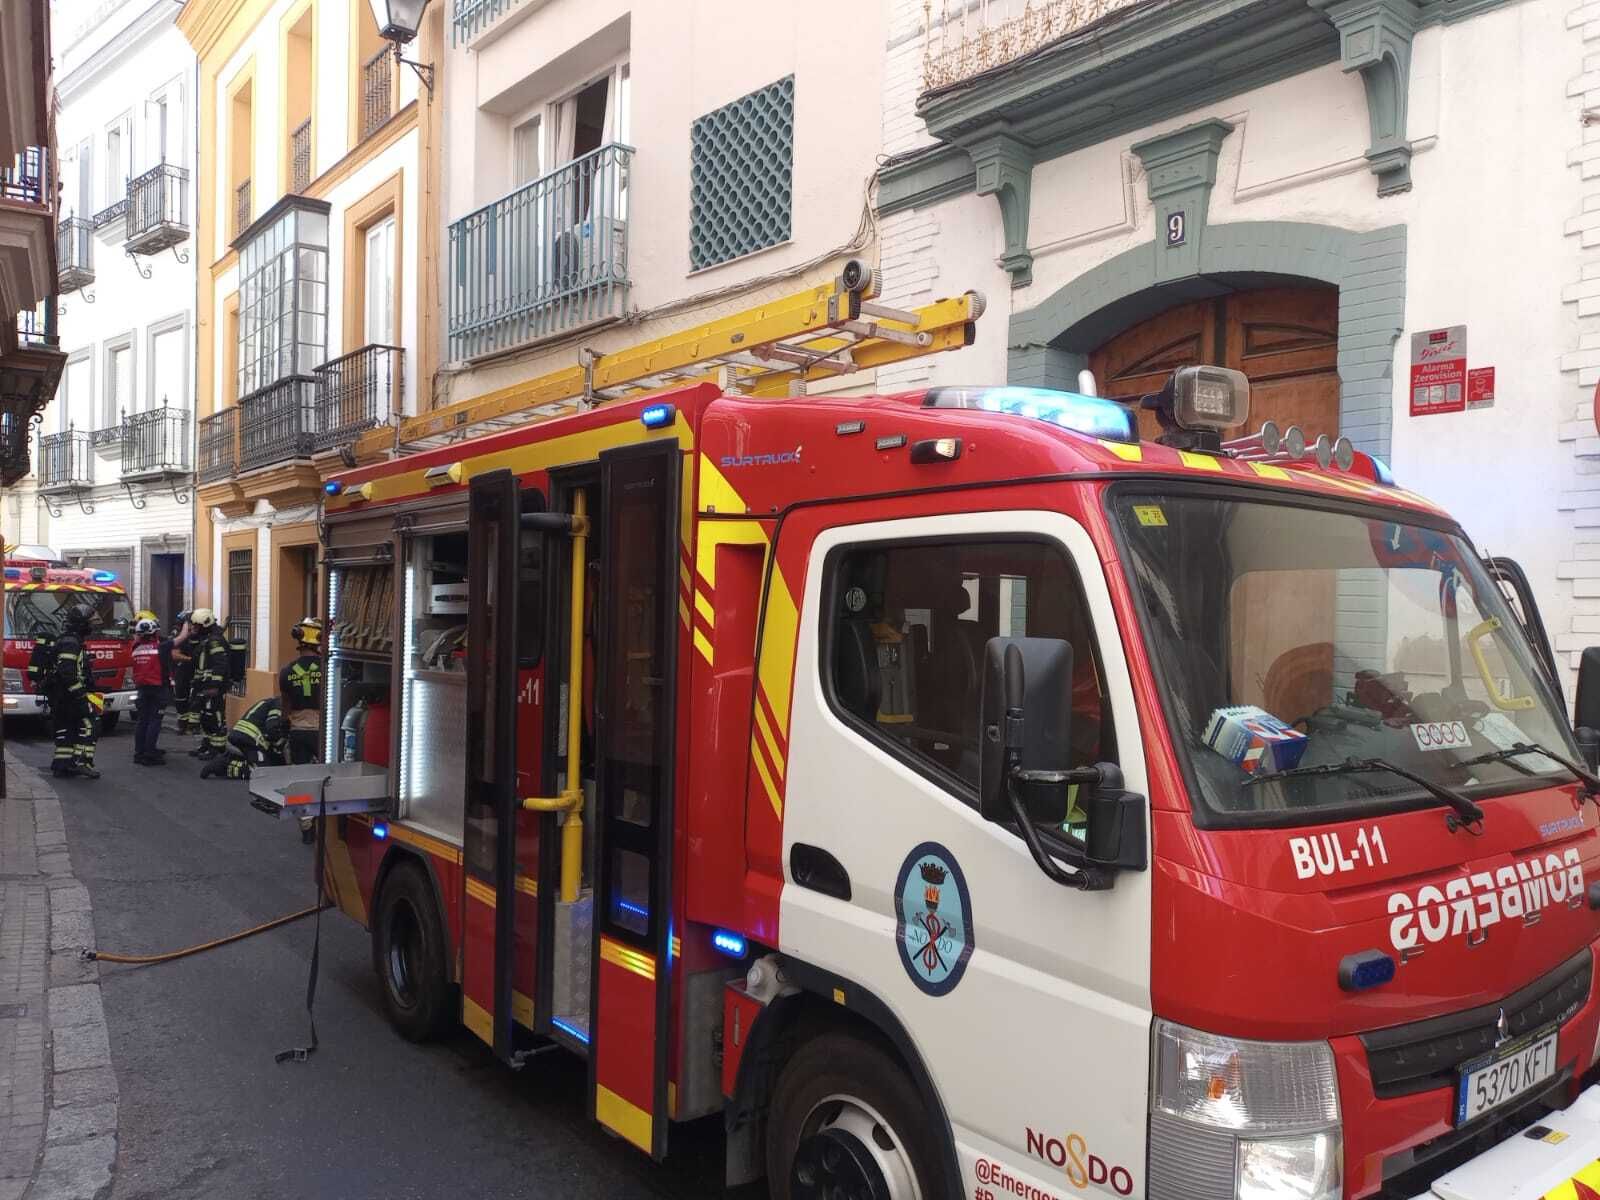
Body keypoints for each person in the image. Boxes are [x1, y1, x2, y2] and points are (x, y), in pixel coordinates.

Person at [47, 606, 100, 779]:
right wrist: (81, 696)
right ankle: (81, 762)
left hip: (61, 696)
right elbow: (67, 673)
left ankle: (62, 764)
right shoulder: (71, 642)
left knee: (66, 729)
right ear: (80, 624)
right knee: (89, 724)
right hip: (70, 696)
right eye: (89, 623)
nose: (91, 627)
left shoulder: (69, 640)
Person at [130, 616, 191, 765]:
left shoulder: (135, 647)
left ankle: (139, 752)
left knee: (142, 720)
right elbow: (182, 637)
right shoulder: (161, 647)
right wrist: (186, 623)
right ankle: (150, 754)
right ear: (154, 633)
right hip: (158, 689)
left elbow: (137, 635)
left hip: (142, 690)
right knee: (155, 721)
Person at [199, 695, 287, 780]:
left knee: (273, 765)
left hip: (242, 735)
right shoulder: (279, 704)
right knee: (263, 772)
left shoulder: (271, 701)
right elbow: (271, 730)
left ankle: (230, 759)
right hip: (250, 739)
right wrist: (280, 746)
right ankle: (225, 765)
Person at [186, 609, 230, 759]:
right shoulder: (206, 639)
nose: (194, 628)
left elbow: (220, 664)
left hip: (213, 688)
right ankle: (207, 745)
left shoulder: (215, 641)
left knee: (214, 717)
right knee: (205, 716)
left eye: (197, 626)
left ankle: (218, 749)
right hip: (204, 686)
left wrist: (214, 686)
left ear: (205, 625)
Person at [279, 617, 323, 765]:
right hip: (322, 733)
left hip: (297, 732)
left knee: (300, 776)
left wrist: (283, 726)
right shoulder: (328, 670)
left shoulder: (287, 671)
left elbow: (285, 707)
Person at [171, 610, 198, 735]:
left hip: (194, 671)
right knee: (181, 698)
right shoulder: (177, 633)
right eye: (191, 623)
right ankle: (182, 725)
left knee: (195, 698)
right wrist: (191, 660)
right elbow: (175, 655)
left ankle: (193, 725)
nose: (194, 626)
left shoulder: (197, 634)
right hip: (182, 670)